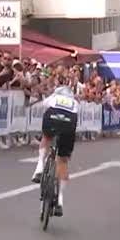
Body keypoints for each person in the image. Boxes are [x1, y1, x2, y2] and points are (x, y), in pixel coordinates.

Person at [32, 80, 80, 216]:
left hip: (52, 118)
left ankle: (39, 168)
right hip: (69, 124)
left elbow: (43, 107)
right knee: (63, 161)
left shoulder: (54, 97)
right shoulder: (75, 103)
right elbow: (77, 121)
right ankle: (59, 200)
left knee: (46, 138)